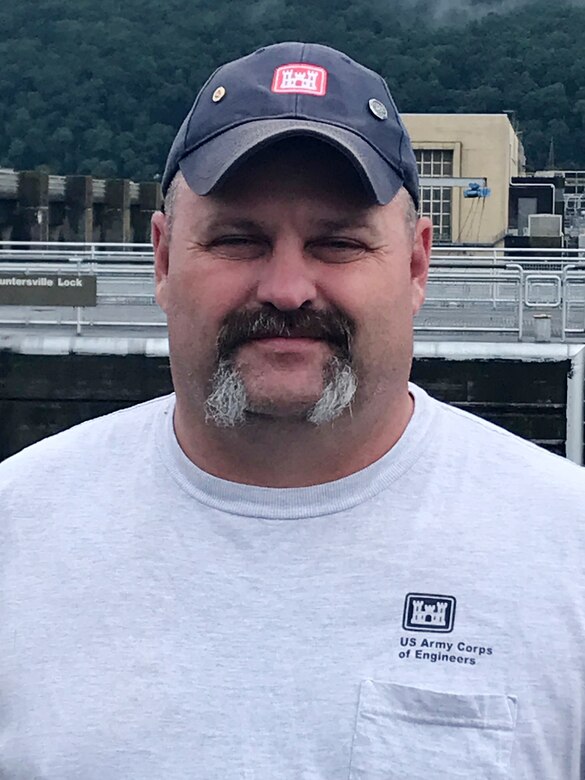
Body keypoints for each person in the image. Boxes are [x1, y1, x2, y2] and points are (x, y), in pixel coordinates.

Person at [0, 41, 583, 780]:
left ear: (414, 266)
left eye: (337, 243)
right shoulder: (18, 529)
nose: (285, 288)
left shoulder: (565, 548)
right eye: (238, 240)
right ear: (163, 259)